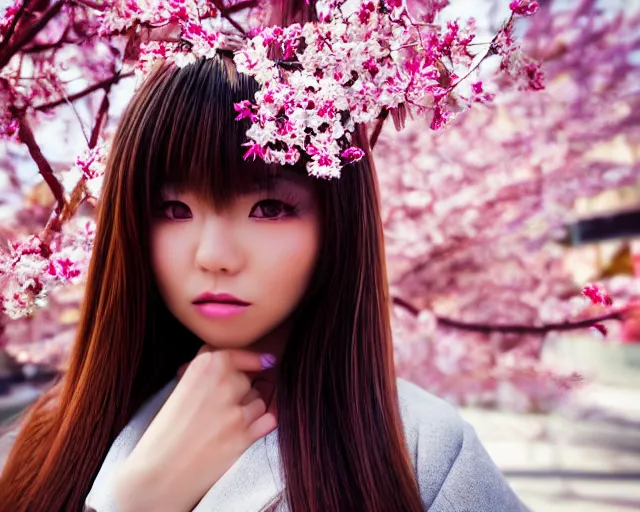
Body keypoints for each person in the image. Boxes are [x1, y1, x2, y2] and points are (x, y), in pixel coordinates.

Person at [0, 5, 528, 512]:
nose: (214, 256)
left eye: (270, 207)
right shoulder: (50, 442)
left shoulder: (422, 448)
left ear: (336, 223)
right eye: (174, 209)